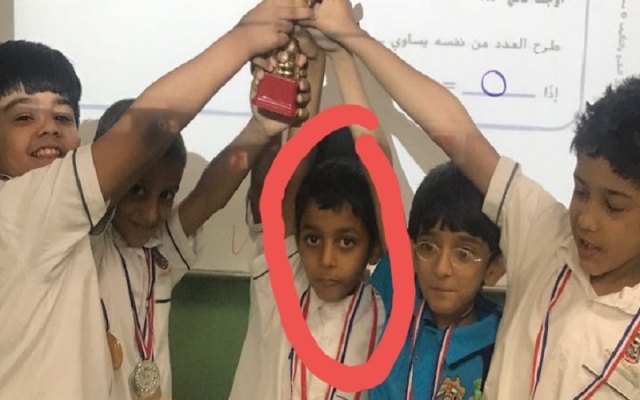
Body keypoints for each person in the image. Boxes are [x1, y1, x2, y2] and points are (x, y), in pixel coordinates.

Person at [305, 1, 640, 398]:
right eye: (580, 191)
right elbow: (457, 134)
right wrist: (351, 37)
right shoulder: (547, 239)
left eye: (614, 206)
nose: (585, 219)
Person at [0, 2, 314, 398]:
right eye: (24, 117)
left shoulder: (119, 247)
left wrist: (262, 128)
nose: (48, 128)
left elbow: (207, 197)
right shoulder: (16, 211)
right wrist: (245, 38)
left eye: (63, 117)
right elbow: (146, 130)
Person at [91, 78, 309, 400]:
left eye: (166, 196)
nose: (151, 214)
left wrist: (261, 126)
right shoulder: (86, 247)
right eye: (136, 190)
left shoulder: (159, 251)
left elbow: (209, 195)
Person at [230, 30, 393, 400]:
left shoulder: (385, 309)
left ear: (374, 247)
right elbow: (291, 180)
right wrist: (313, 59)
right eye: (313, 239)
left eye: (347, 242)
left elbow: (381, 177)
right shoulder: (284, 283)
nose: (327, 259)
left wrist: (341, 51)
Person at [370, 161, 504, 400]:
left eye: (463, 254)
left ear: (493, 269)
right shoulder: (398, 296)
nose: (441, 269)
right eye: (428, 247)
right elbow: (379, 168)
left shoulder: (500, 344)